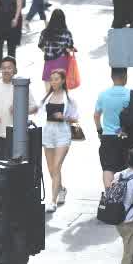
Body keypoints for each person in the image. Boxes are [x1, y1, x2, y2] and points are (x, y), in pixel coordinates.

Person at [38, 67, 77, 208]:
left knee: (56, 166)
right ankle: (61, 189)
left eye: (56, 79)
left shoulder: (69, 99)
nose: (53, 82)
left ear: (63, 80)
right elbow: (38, 112)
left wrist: (64, 117)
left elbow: (75, 118)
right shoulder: (46, 98)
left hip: (63, 134)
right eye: (52, 80)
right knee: (51, 169)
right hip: (48, 133)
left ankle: (53, 201)